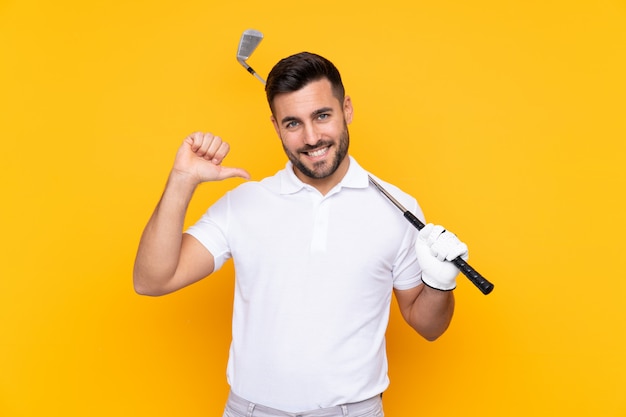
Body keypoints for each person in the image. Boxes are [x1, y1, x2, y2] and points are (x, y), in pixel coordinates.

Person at [133, 52, 468, 416]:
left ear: (347, 110)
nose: (311, 137)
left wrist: (439, 285)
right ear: (276, 128)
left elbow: (428, 327)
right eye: (293, 123)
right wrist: (182, 181)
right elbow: (152, 280)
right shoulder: (244, 203)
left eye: (322, 116)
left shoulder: (397, 208)